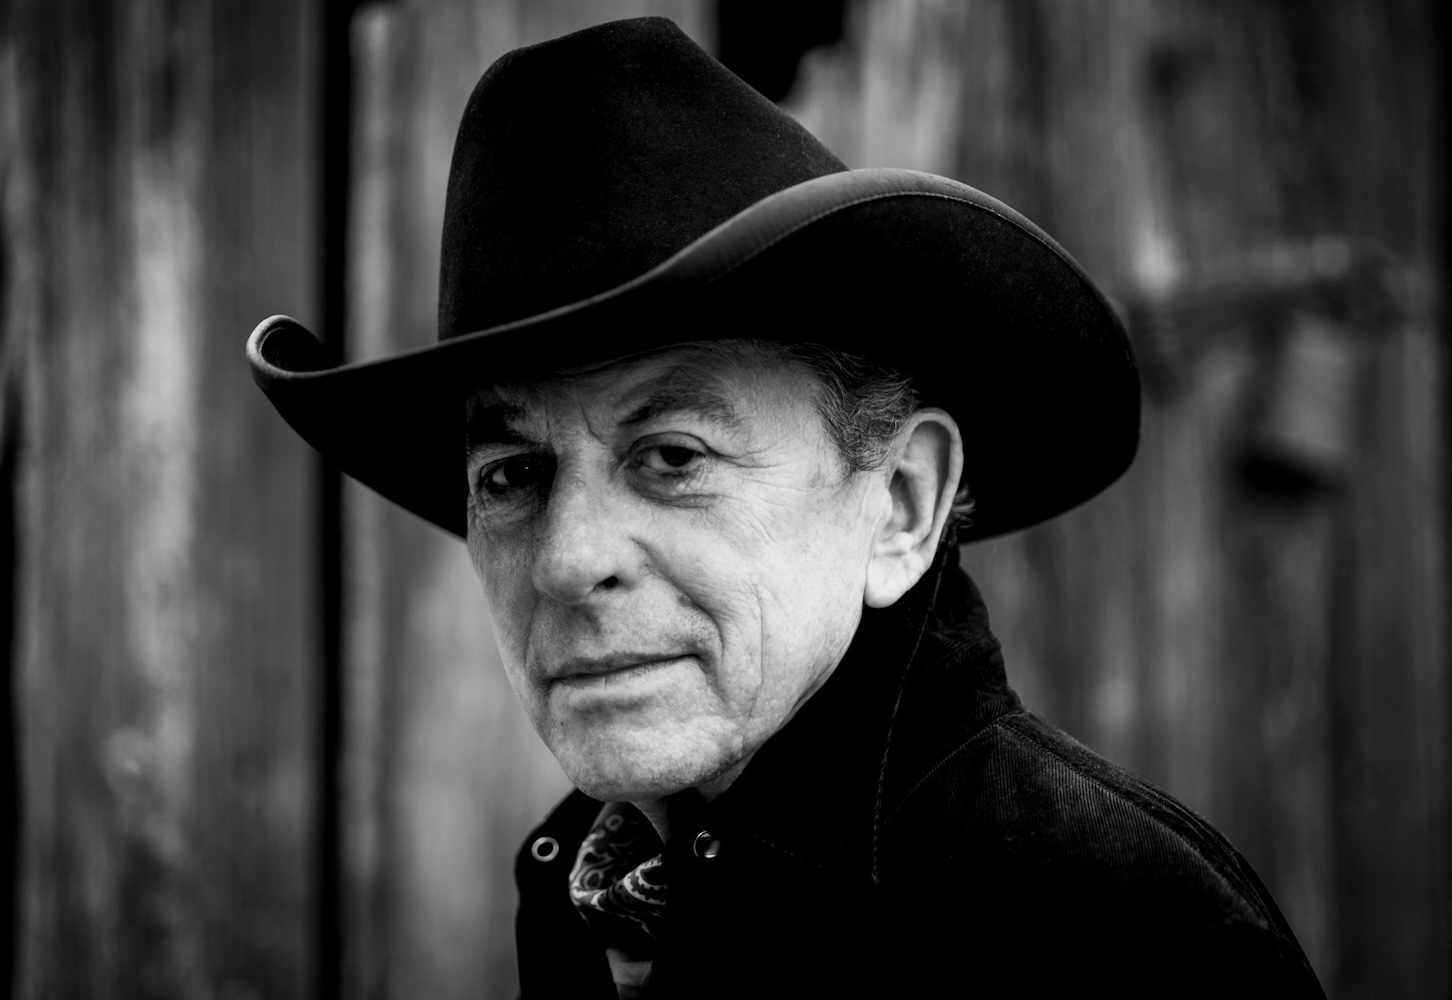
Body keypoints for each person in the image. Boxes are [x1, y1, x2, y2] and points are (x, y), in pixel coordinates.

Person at [248, 16, 1324, 999]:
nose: (567, 561)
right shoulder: (593, 892)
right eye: (510, 476)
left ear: (900, 505)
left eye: (673, 456)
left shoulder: (1131, 943)